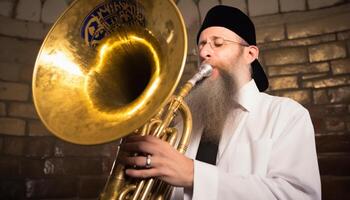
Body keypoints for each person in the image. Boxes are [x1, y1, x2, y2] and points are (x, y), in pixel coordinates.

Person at [119, 5, 321, 200]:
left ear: (250, 54)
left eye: (218, 43)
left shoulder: (286, 115)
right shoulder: (180, 126)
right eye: (201, 44)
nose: (204, 52)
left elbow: (299, 195)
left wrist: (193, 174)